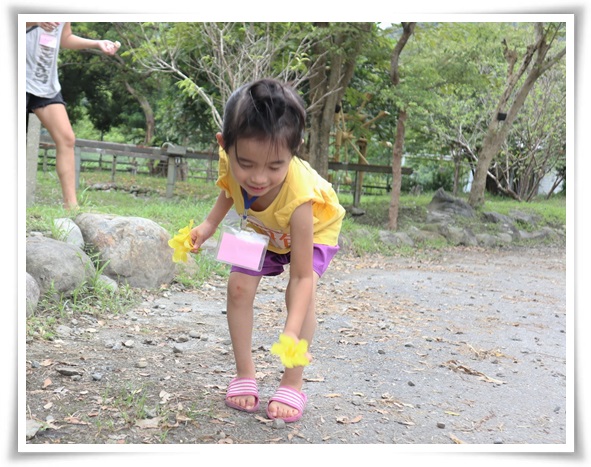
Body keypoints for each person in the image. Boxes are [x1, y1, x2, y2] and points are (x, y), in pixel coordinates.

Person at [189, 78, 345, 423]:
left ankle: (293, 380)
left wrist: (290, 330)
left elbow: (303, 276)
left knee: (300, 300)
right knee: (238, 287)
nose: (259, 177)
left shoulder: (301, 197)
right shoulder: (232, 163)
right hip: (259, 225)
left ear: (294, 151)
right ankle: (245, 374)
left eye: (275, 166)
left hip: (309, 231)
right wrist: (209, 225)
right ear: (224, 145)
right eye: (247, 163)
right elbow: (231, 189)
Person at [26, 22, 120, 210]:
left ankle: (71, 207)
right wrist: (34, 20)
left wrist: (97, 43)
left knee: (67, 138)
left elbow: (65, 38)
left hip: (45, 84)